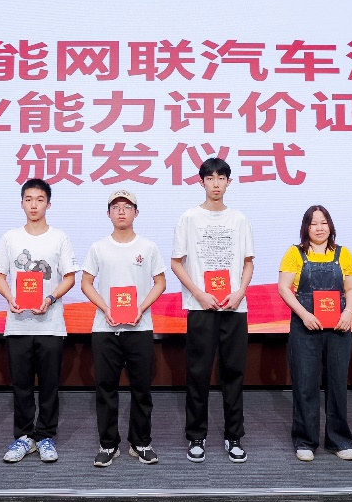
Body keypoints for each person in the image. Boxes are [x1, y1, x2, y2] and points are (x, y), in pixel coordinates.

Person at [171, 157, 255, 463]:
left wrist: (239, 292)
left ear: (229, 183)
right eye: (210, 178)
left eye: (221, 178)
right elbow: (176, 262)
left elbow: (248, 262)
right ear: (201, 182)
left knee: (234, 373)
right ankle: (197, 436)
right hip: (201, 307)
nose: (216, 184)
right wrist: (199, 294)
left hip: (234, 307)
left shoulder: (239, 219)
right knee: (198, 373)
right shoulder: (189, 218)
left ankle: (234, 436)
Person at [0, 178, 78, 464]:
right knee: (21, 384)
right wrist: (10, 298)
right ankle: (24, 436)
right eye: (28, 199)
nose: (34, 205)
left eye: (40, 200)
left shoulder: (59, 238)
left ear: (48, 204)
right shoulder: (10, 238)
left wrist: (50, 298)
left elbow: (69, 277)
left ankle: (45, 436)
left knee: (50, 385)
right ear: (21, 203)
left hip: (51, 324)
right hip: (18, 323)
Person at [80, 189, 167, 467]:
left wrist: (141, 308)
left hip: (139, 328)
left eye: (127, 207)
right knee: (106, 388)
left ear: (136, 213)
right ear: (108, 214)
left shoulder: (148, 247)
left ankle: (141, 442)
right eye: (116, 207)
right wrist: (105, 308)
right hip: (105, 329)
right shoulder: (98, 248)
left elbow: (160, 282)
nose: (121, 211)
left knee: (141, 388)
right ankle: (108, 444)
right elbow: (86, 283)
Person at [277, 205, 352, 462]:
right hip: (305, 325)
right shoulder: (295, 253)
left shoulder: (343, 254)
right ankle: (305, 441)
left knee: (337, 384)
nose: (319, 228)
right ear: (306, 227)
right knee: (305, 384)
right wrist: (304, 315)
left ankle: (339, 441)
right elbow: (284, 288)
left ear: (330, 226)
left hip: (339, 327)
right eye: (314, 223)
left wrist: (348, 313)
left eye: (324, 222)